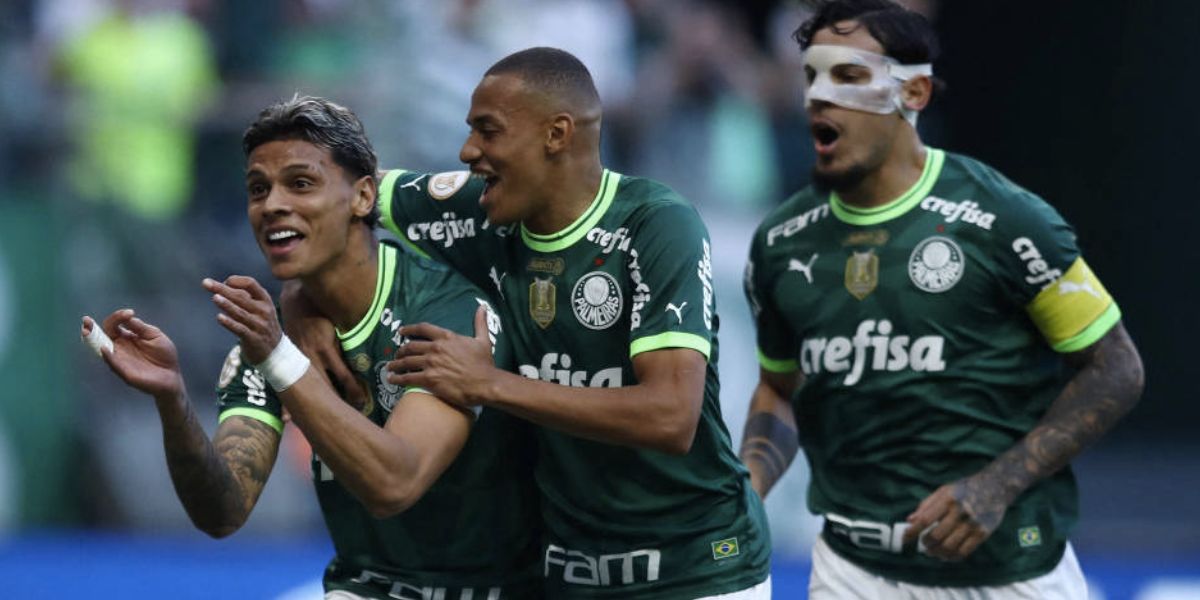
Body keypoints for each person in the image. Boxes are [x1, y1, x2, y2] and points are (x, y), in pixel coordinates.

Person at [292, 47, 771, 599]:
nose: (468, 151)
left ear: (556, 134)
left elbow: (670, 417)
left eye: (488, 131)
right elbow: (337, 201)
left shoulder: (657, 225)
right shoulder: (475, 208)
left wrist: (490, 385)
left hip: (699, 571)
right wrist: (301, 298)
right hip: (564, 577)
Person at [737, 0, 1145, 597]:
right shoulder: (778, 244)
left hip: (1005, 567)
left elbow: (1118, 369)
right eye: (810, 76)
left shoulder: (1004, 218)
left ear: (915, 94)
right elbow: (780, 389)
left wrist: (996, 486)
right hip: (851, 568)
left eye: (848, 75)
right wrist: (746, 491)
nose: (819, 96)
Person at [82, 96, 541, 599]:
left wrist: (280, 358)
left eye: (301, 183)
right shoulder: (269, 336)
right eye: (259, 189)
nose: (273, 204)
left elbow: (396, 483)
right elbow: (222, 512)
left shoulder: (445, 309)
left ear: (363, 197)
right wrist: (172, 399)